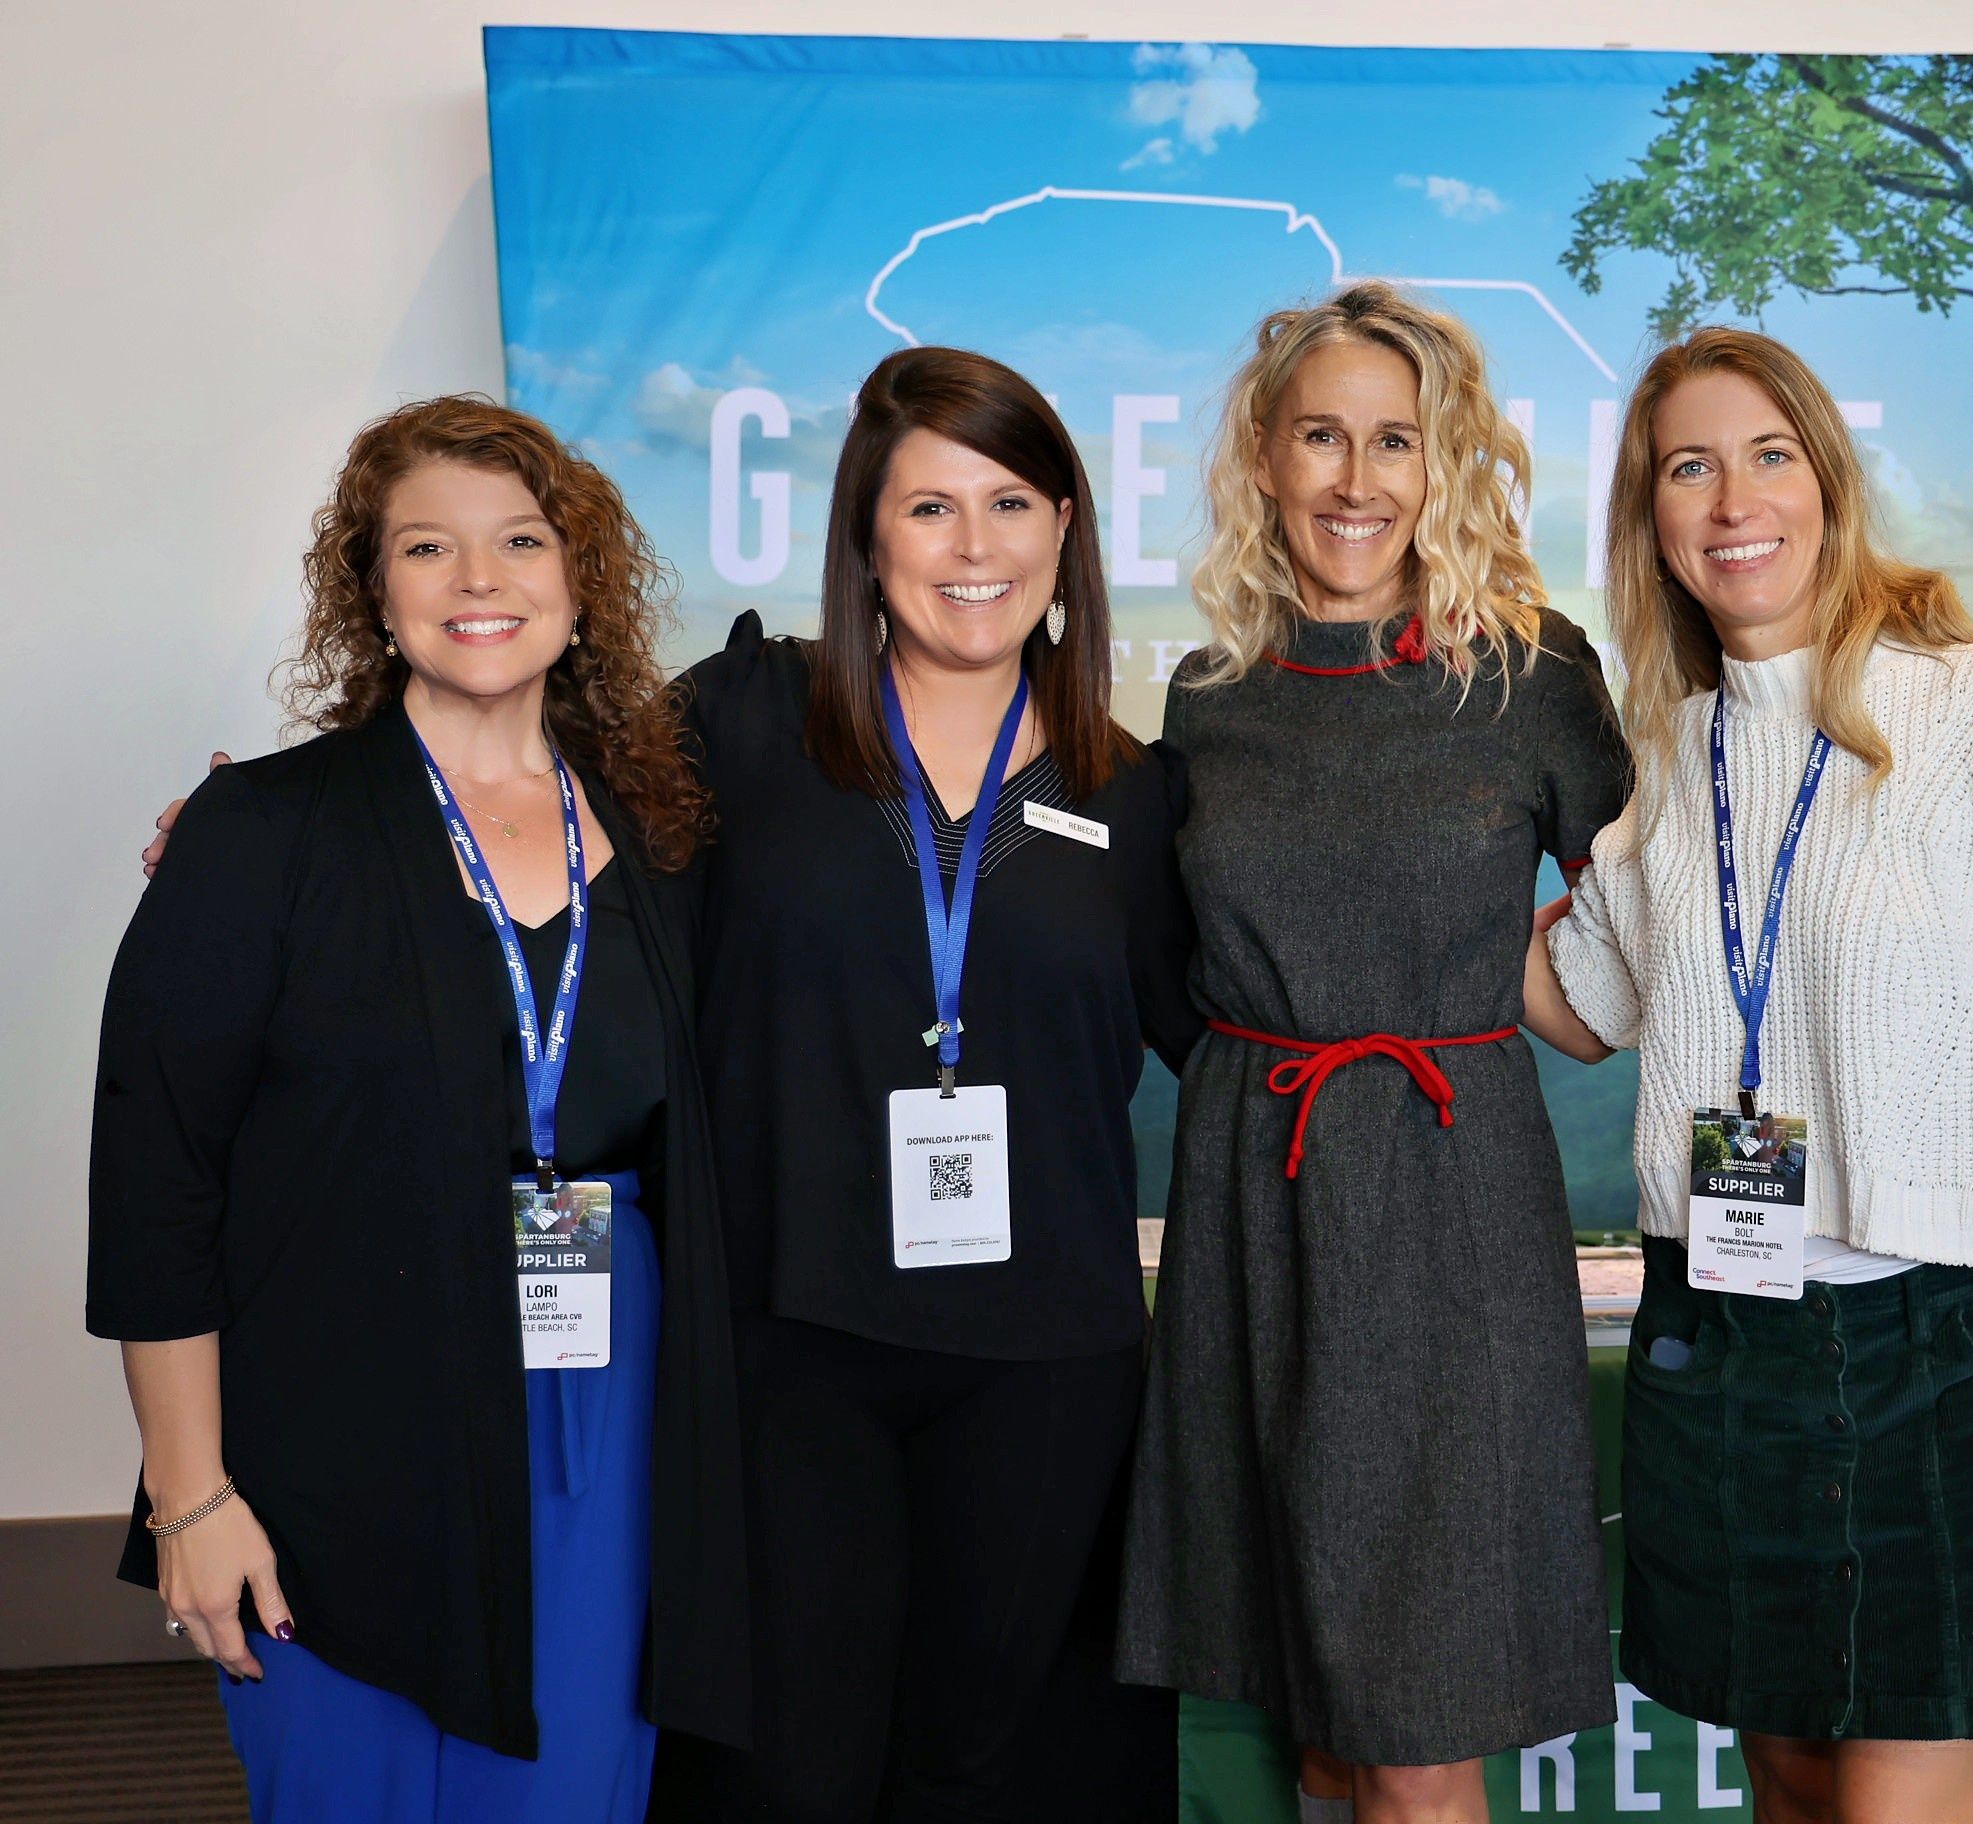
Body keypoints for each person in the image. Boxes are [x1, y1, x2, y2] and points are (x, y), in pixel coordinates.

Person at [1529, 327, 1973, 1824]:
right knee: (1789, 1797)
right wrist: (1407, 845)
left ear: (1828, 485)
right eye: (1688, 468)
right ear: (1650, 518)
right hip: (1722, 1349)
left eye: (1769, 455)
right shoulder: (1669, 751)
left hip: (1952, 1345)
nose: (1732, 500)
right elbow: (1585, 1000)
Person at [88, 397, 749, 1823]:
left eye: (520, 540)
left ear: (581, 585)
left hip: (606, 1416)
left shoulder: (664, 837)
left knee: (571, 1787)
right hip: (335, 1416)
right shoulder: (264, 833)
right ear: (373, 596)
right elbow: (157, 1185)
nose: (478, 578)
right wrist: (190, 1499)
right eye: (427, 548)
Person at [648, 344, 1200, 1822]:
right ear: (865, 540)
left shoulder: (1133, 791)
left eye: (1013, 504)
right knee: (789, 1770)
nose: (977, 550)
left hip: (1047, 1362)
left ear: (1068, 533)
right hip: (792, 1346)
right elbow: (518, 806)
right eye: (932, 510)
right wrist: (285, 818)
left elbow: (1239, 1032)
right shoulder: (744, 724)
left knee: (996, 1765)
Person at [1115, 282, 1628, 1824]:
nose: (1356, 480)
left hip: (1445, 1200)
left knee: (1413, 1734)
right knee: (1319, 1723)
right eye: (1321, 437)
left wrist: (1483, 996)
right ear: (1264, 459)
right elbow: (1169, 963)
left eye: (1393, 442)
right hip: (1247, 1207)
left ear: (1443, 462)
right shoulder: (1207, 701)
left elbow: (1652, 939)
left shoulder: (1533, 679)